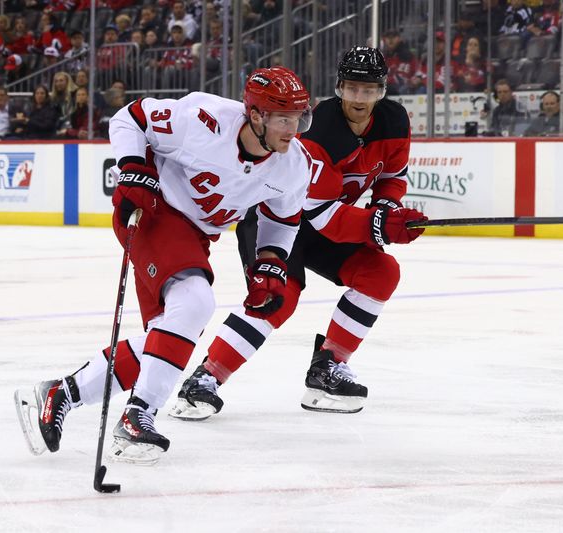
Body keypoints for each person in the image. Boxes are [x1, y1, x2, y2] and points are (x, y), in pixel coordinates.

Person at [14, 66, 314, 464]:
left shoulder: (293, 164)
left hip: (196, 237)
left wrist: (270, 265)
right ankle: (139, 416)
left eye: (298, 118)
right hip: (151, 209)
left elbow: (283, 219)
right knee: (195, 304)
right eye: (282, 118)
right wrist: (132, 167)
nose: (292, 129)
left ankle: (61, 393)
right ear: (255, 115)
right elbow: (130, 118)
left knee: (169, 337)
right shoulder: (203, 119)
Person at [170, 46, 427, 421]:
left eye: (369, 90)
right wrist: (377, 226)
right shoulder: (321, 129)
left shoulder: (394, 121)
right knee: (277, 297)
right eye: (352, 88)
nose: (360, 98)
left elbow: (391, 177)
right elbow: (319, 213)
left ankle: (328, 368)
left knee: (381, 273)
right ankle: (205, 379)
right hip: (276, 220)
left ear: (382, 91)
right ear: (339, 88)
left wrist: (387, 210)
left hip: (327, 221)